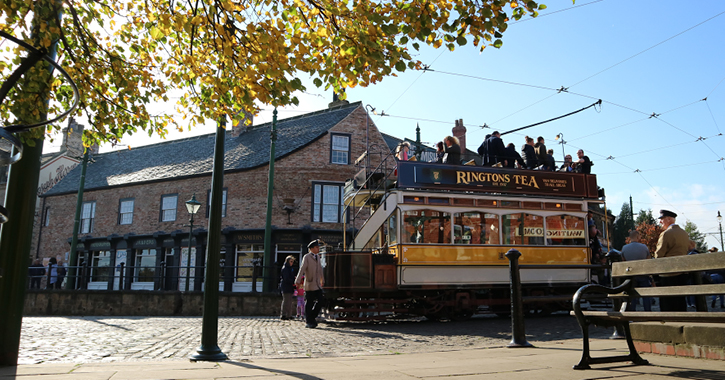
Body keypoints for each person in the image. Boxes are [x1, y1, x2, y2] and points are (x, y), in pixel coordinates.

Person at [654, 209, 690, 311]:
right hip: (682, 272)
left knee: (667, 303)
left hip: (668, 273)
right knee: (680, 301)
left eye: (662, 219)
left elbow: (659, 255)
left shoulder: (666, 234)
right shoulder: (684, 233)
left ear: (669, 219)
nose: (660, 222)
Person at [295, 240, 325, 328]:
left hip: (317, 284)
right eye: (316, 247)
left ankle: (312, 317)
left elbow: (320, 269)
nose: (318, 249)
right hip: (310, 284)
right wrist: (297, 280)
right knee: (309, 303)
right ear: (311, 249)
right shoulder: (307, 257)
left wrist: (322, 279)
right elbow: (302, 268)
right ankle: (309, 321)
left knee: (321, 301)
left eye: (318, 247)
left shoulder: (318, 257)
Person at [620, 230, 652, 311]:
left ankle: (632, 313)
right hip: (643, 274)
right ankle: (648, 313)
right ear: (638, 237)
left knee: (632, 295)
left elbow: (623, 261)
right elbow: (649, 261)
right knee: (646, 296)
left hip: (631, 275)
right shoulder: (644, 247)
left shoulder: (624, 248)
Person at [279, 255, 296, 320]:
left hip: (289, 286)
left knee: (290, 301)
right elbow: (286, 278)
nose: (292, 263)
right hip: (286, 286)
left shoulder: (290, 268)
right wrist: (293, 281)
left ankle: (289, 315)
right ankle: (283, 315)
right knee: (286, 301)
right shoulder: (285, 268)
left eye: (292, 262)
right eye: (291, 261)